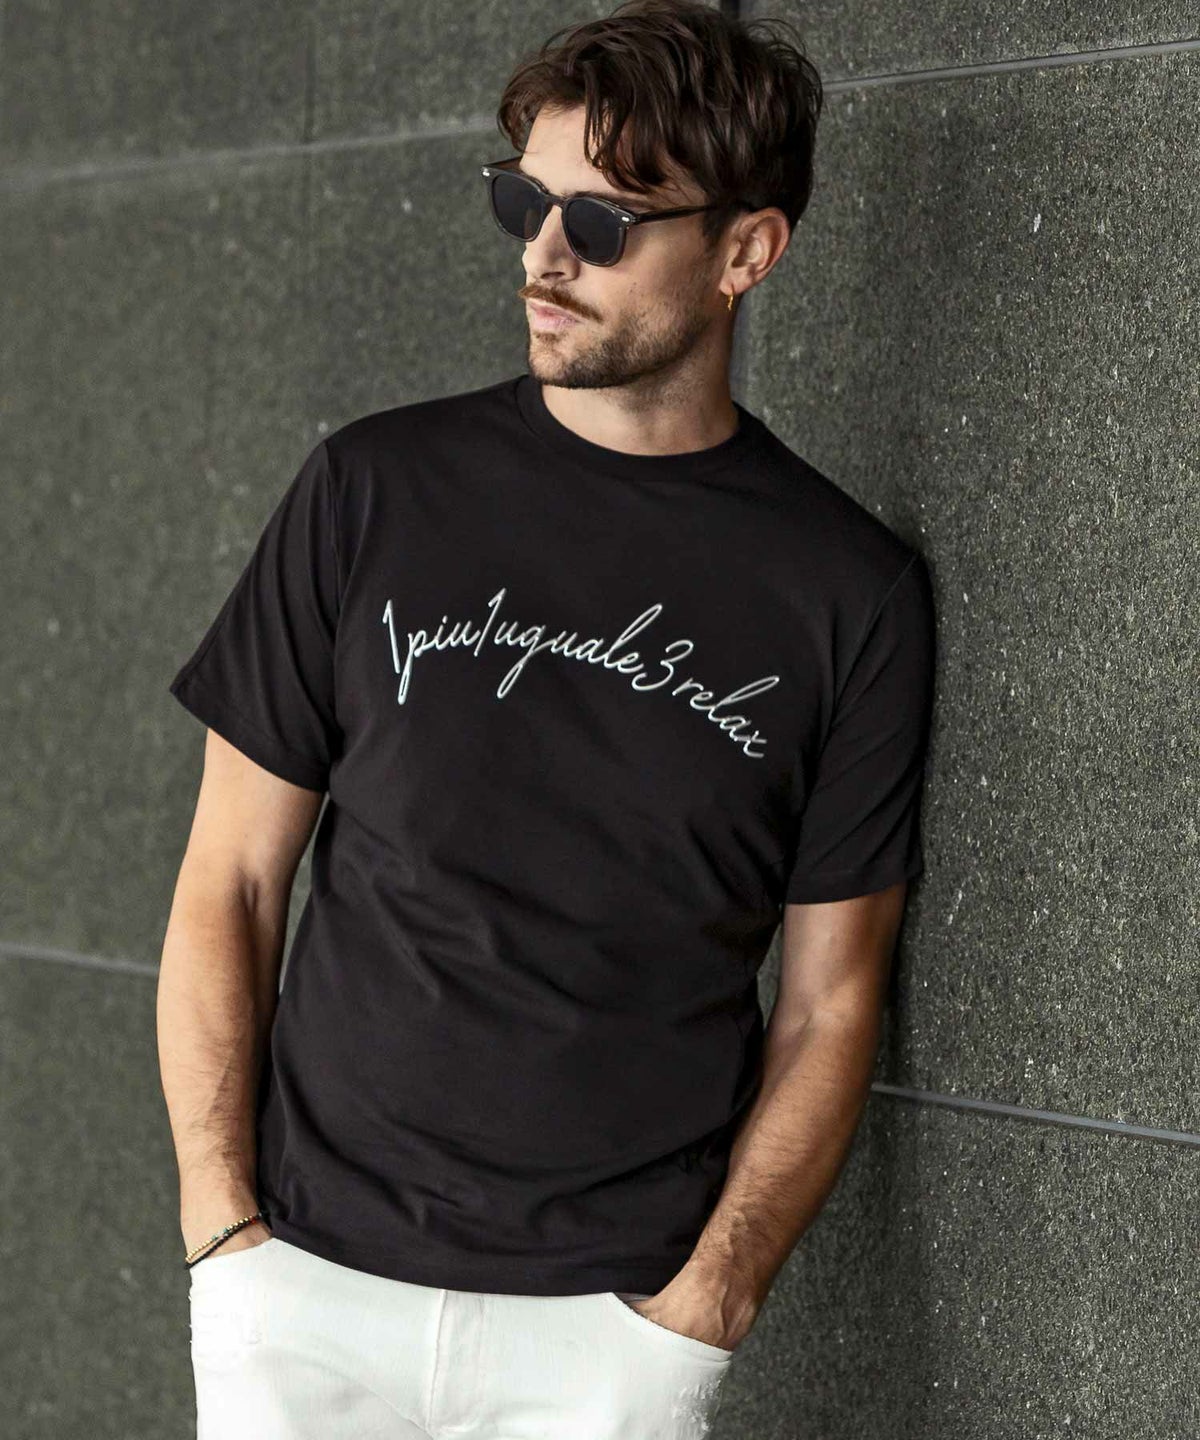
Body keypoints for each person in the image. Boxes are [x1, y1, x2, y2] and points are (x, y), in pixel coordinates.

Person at [157, 1, 935, 1435]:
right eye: (525, 202)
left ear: (747, 253)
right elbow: (232, 880)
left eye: (604, 221)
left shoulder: (845, 591)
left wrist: (703, 1311)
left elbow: (833, 1000)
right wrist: (224, 1237)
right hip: (303, 1293)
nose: (544, 255)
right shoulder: (371, 494)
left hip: (605, 1340)